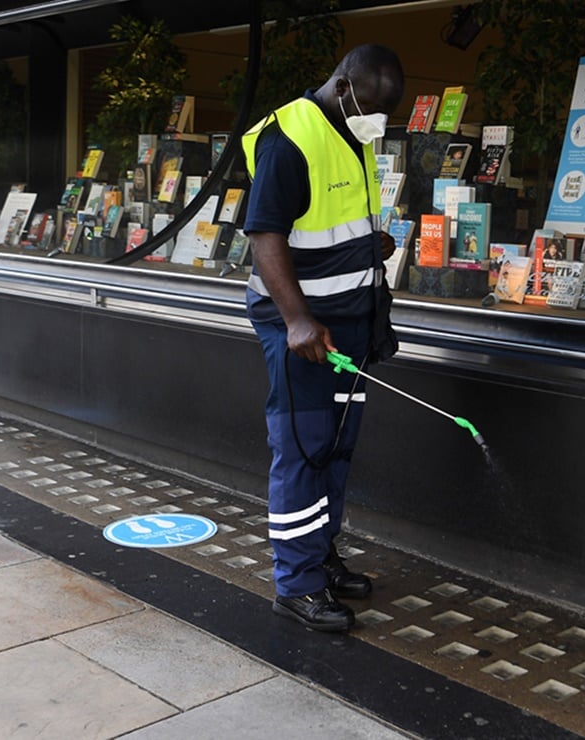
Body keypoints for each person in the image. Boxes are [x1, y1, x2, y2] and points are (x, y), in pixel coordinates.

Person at [241, 45, 405, 632]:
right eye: (375, 106)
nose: (380, 121)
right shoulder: (290, 136)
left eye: (390, 111)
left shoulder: (352, 136)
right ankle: (297, 584)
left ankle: (321, 555)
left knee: (335, 450)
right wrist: (296, 320)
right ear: (343, 86)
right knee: (304, 449)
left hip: (351, 326)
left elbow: (328, 223)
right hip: (305, 331)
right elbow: (266, 234)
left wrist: (372, 245)